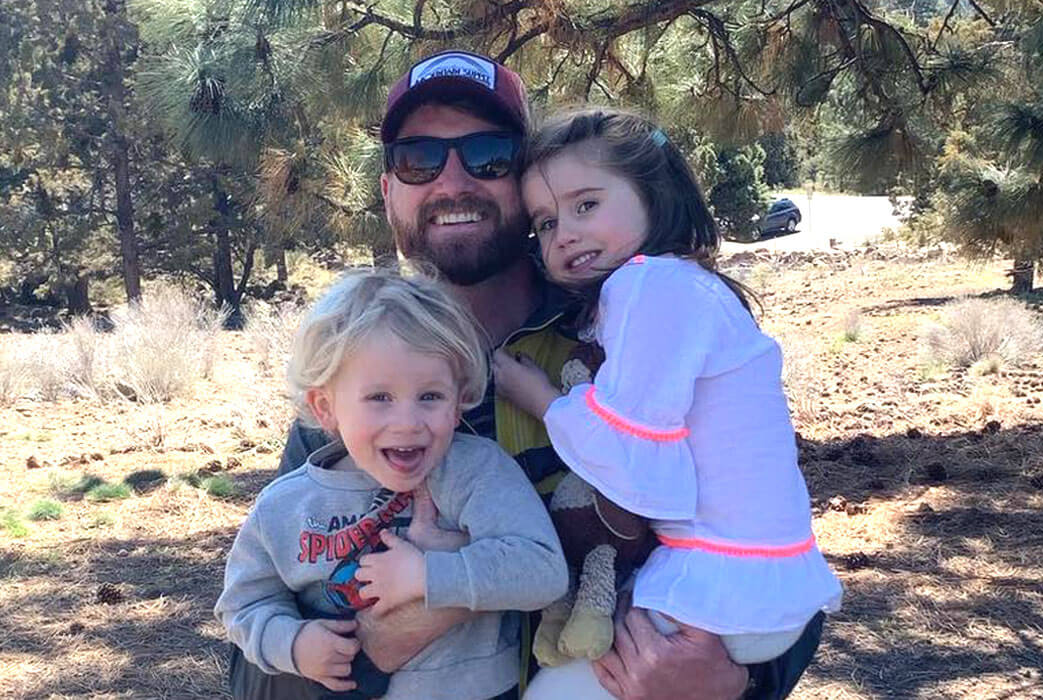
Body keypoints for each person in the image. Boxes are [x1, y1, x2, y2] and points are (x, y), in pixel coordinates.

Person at [229, 48, 827, 700]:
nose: (452, 181)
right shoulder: (346, 395)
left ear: (531, 179)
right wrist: (390, 635)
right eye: (418, 158)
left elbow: (767, 536)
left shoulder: (631, 344)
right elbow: (258, 660)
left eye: (488, 155)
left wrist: (739, 681)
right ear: (388, 191)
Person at [491, 106, 845, 698]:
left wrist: (539, 398)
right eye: (546, 223)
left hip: (718, 583)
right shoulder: (687, 287)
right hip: (762, 579)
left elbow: (638, 464)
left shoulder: (649, 285)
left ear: (653, 195)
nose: (566, 233)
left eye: (587, 205)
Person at [216, 269, 566, 700]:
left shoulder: (474, 472)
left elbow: (544, 571)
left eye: (430, 396)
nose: (408, 423)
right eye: (379, 398)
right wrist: (293, 644)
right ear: (326, 408)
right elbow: (243, 605)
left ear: (459, 403)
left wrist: (428, 575)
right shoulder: (284, 507)